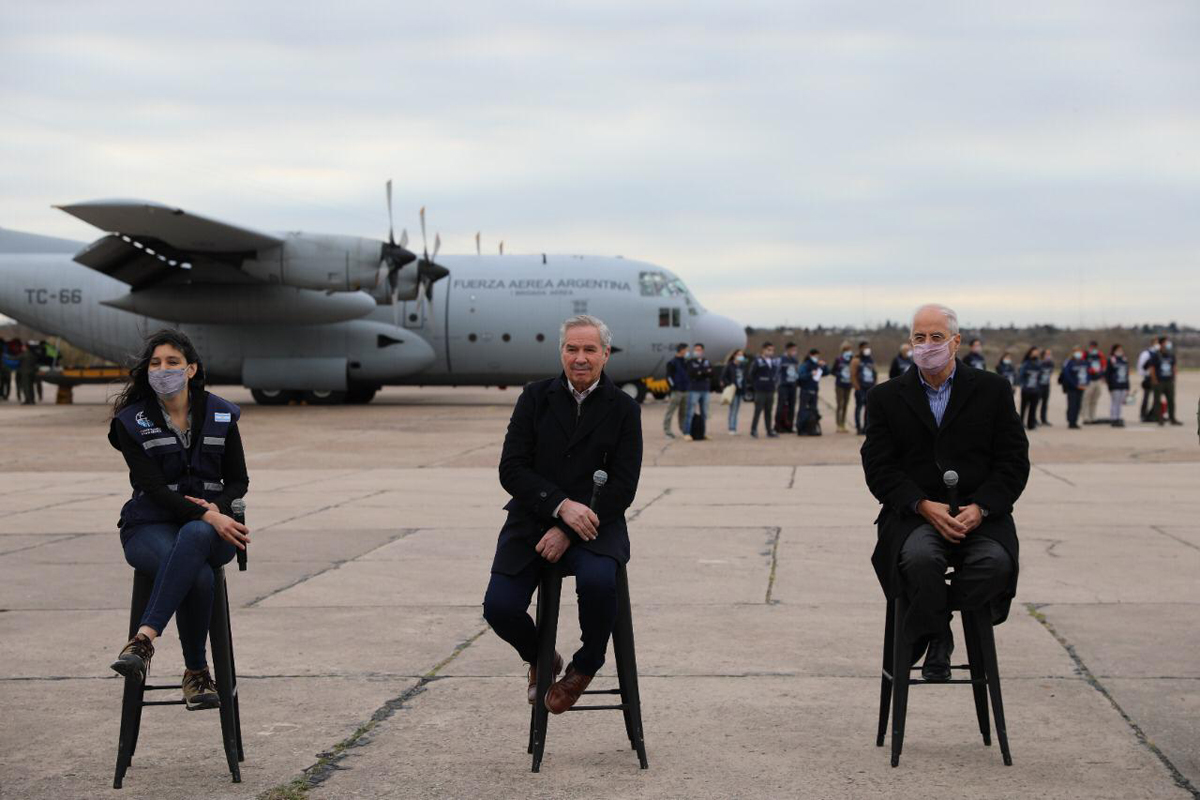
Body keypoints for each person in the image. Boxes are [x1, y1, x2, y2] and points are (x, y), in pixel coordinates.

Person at [482, 315, 642, 714]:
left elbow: (623, 486)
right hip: (533, 517)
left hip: (596, 522)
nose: (580, 358)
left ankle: (584, 667)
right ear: (562, 352)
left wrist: (570, 529)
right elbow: (511, 468)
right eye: (572, 349)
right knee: (499, 607)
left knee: (598, 583)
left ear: (606, 354)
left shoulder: (624, 409)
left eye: (590, 349)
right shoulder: (535, 397)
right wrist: (559, 507)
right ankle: (541, 656)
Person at [861, 303, 1029, 683]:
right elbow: (878, 467)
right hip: (914, 517)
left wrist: (982, 507)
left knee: (995, 565)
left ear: (956, 342)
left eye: (936, 337)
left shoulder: (992, 389)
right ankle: (939, 634)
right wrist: (921, 505)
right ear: (910, 343)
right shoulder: (886, 397)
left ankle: (930, 622)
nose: (927, 345)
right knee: (919, 560)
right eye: (919, 337)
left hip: (980, 516)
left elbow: (1014, 461)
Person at [107, 329, 250, 710]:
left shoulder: (221, 412)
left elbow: (239, 480)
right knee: (197, 572)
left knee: (197, 535)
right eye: (155, 363)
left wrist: (216, 509)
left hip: (211, 529)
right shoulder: (131, 421)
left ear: (191, 369)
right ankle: (196, 674)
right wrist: (207, 515)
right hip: (149, 526)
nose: (162, 369)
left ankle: (144, 640)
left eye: (172, 362)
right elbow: (152, 488)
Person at [1147, 335, 1182, 426]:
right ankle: (1159, 419)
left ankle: (1172, 418)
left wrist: (1174, 377)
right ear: (1161, 344)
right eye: (1166, 342)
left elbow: (1174, 366)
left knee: (1171, 400)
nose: (1168, 344)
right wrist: (1154, 379)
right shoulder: (1156, 355)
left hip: (1169, 381)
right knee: (1157, 401)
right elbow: (1152, 368)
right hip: (1159, 381)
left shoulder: (1171, 355)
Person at [683, 343, 713, 441]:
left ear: (702, 351)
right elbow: (691, 373)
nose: (697, 351)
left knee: (704, 413)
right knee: (690, 411)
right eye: (696, 349)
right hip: (694, 389)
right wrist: (703, 372)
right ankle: (687, 433)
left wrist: (700, 372)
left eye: (699, 349)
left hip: (705, 389)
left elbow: (711, 373)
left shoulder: (707, 361)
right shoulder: (690, 362)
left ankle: (702, 433)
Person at [748, 342, 778, 438]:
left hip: (770, 389)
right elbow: (751, 375)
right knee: (758, 410)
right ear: (763, 350)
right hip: (760, 390)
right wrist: (756, 385)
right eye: (769, 350)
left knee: (768, 411)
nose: (771, 352)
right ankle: (753, 430)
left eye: (772, 350)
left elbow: (775, 375)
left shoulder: (773, 362)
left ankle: (769, 430)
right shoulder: (758, 361)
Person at [662, 343, 690, 438]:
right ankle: (667, 431)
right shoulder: (672, 362)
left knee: (683, 412)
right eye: (686, 350)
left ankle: (683, 430)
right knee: (670, 411)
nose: (687, 352)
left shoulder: (686, 362)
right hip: (676, 391)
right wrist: (673, 387)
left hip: (685, 391)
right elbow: (668, 377)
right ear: (681, 350)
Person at [795, 348, 825, 436]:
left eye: (817, 356)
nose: (816, 357)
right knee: (803, 410)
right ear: (811, 355)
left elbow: (826, 372)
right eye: (815, 356)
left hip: (814, 390)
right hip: (805, 390)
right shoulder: (805, 365)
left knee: (813, 410)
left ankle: (812, 428)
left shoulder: (817, 365)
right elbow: (801, 377)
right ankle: (801, 429)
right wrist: (810, 374)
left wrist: (823, 366)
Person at [849, 341, 876, 435]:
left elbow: (874, 373)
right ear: (860, 348)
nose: (867, 349)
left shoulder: (870, 360)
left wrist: (874, 385)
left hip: (870, 387)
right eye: (865, 348)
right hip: (860, 388)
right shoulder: (856, 360)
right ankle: (858, 427)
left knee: (868, 409)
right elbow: (852, 375)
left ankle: (866, 427)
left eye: (867, 347)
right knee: (859, 408)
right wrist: (857, 388)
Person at [1059, 346, 1089, 429]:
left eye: (1080, 351)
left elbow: (1087, 373)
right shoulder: (1069, 362)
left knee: (1078, 405)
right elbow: (1067, 375)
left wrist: (1086, 383)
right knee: (1072, 404)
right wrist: (1075, 385)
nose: (1079, 353)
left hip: (1081, 387)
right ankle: (1071, 421)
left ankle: (1075, 421)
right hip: (1072, 387)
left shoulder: (1083, 362)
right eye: (1077, 351)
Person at [721, 348, 748, 435]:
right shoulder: (729, 365)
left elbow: (744, 378)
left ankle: (734, 427)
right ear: (734, 356)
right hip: (733, 390)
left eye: (742, 355)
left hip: (740, 390)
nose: (741, 357)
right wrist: (730, 384)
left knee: (736, 410)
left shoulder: (742, 366)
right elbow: (723, 377)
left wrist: (744, 389)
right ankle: (731, 428)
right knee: (733, 409)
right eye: (739, 355)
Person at [775, 343, 799, 434]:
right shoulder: (781, 359)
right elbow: (776, 372)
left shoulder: (795, 360)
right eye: (793, 350)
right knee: (781, 406)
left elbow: (797, 372)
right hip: (783, 385)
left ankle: (789, 426)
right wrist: (777, 383)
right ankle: (778, 426)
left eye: (795, 350)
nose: (794, 352)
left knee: (792, 406)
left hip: (792, 385)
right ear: (788, 350)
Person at [1082, 341, 1107, 423]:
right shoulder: (1086, 354)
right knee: (1086, 399)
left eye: (1095, 347)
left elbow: (1104, 366)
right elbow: (1082, 365)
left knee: (1095, 399)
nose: (1093, 348)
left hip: (1098, 379)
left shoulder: (1100, 355)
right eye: (1092, 347)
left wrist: (1103, 376)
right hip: (1089, 380)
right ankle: (1085, 417)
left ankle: (1093, 416)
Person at [1105, 344, 1130, 428]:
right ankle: (1113, 418)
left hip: (1123, 384)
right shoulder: (1111, 360)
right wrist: (1109, 385)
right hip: (1115, 385)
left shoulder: (1124, 359)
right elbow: (1107, 374)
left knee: (1120, 403)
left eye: (1121, 349)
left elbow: (1127, 374)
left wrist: (1127, 387)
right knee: (1115, 403)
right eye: (1118, 349)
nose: (1120, 351)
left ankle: (1118, 417)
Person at [1017, 347, 1042, 431]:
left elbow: (1041, 376)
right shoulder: (1026, 364)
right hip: (1026, 389)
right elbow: (1021, 376)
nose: (1035, 354)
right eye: (1034, 352)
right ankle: (1021, 424)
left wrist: (1039, 386)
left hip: (1036, 389)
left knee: (1033, 408)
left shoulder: (1039, 363)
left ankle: (1031, 424)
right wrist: (1024, 385)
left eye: (1037, 352)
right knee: (1023, 407)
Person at [833, 341, 854, 433]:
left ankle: (843, 424)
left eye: (849, 349)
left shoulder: (852, 359)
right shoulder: (839, 359)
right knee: (840, 404)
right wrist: (839, 374)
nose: (848, 351)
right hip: (840, 385)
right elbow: (832, 371)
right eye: (846, 349)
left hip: (848, 385)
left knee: (846, 404)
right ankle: (838, 424)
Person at [1137, 339, 1157, 422]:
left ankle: (1153, 414)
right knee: (1146, 397)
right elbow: (1141, 366)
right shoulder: (1146, 353)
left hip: (1157, 378)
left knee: (1157, 398)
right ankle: (1143, 415)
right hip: (1148, 378)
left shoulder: (1159, 353)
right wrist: (1145, 376)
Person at [1037, 348, 1055, 426]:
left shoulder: (1051, 364)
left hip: (1046, 385)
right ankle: (1034, 419)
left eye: (1050, 354)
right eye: (1047, 354)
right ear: (1043, 355)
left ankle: (1043, 419)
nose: (1049, 356)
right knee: (1037, 403)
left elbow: (1051, 373)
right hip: (1039, 385)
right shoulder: (1039, 363)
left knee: (1045, 403)